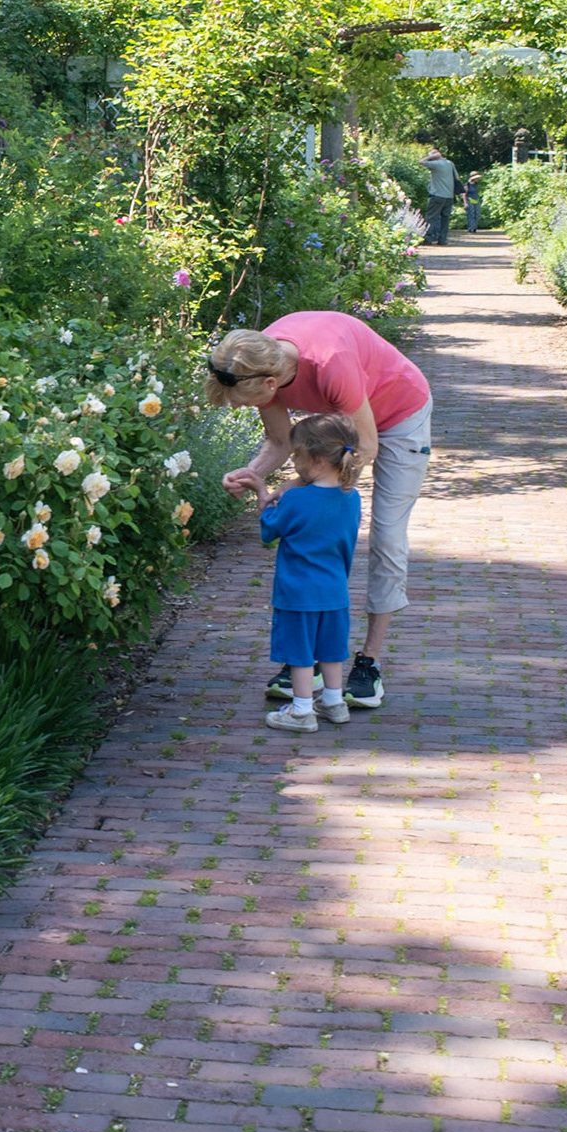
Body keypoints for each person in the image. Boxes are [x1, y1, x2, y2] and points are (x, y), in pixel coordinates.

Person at [207, 310, 433, 709]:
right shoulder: (258, 359)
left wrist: (297, 489)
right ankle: (307, 662)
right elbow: (280, 442)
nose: (242, 408)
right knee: (315, 536)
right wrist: (252, 474)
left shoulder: (329, 363)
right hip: (343, 430)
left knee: (385, 536)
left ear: (271, 383)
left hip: (399, 414)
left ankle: (369, 663)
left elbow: (365, 447)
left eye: (246, 401)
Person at [259, 414, 363, 733]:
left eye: (297, 458)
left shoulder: (297, 498)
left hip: (297, 591)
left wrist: (265, 496)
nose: (295, 465)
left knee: (300, 652)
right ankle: (334, 702)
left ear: (315, 460)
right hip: (334, 590)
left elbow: (269, 530)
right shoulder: (352, 497)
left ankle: (302, 710)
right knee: (331, 650)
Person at [421, 148, 460, 245]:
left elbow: (421, 162)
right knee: (445, 219)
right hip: (449, 196)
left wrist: (430, 157)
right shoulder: (450, 163)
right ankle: (442, 240)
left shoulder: (436, 164)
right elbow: (457, 177)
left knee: (430, 218)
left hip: (437, 195)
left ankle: (427, 239)